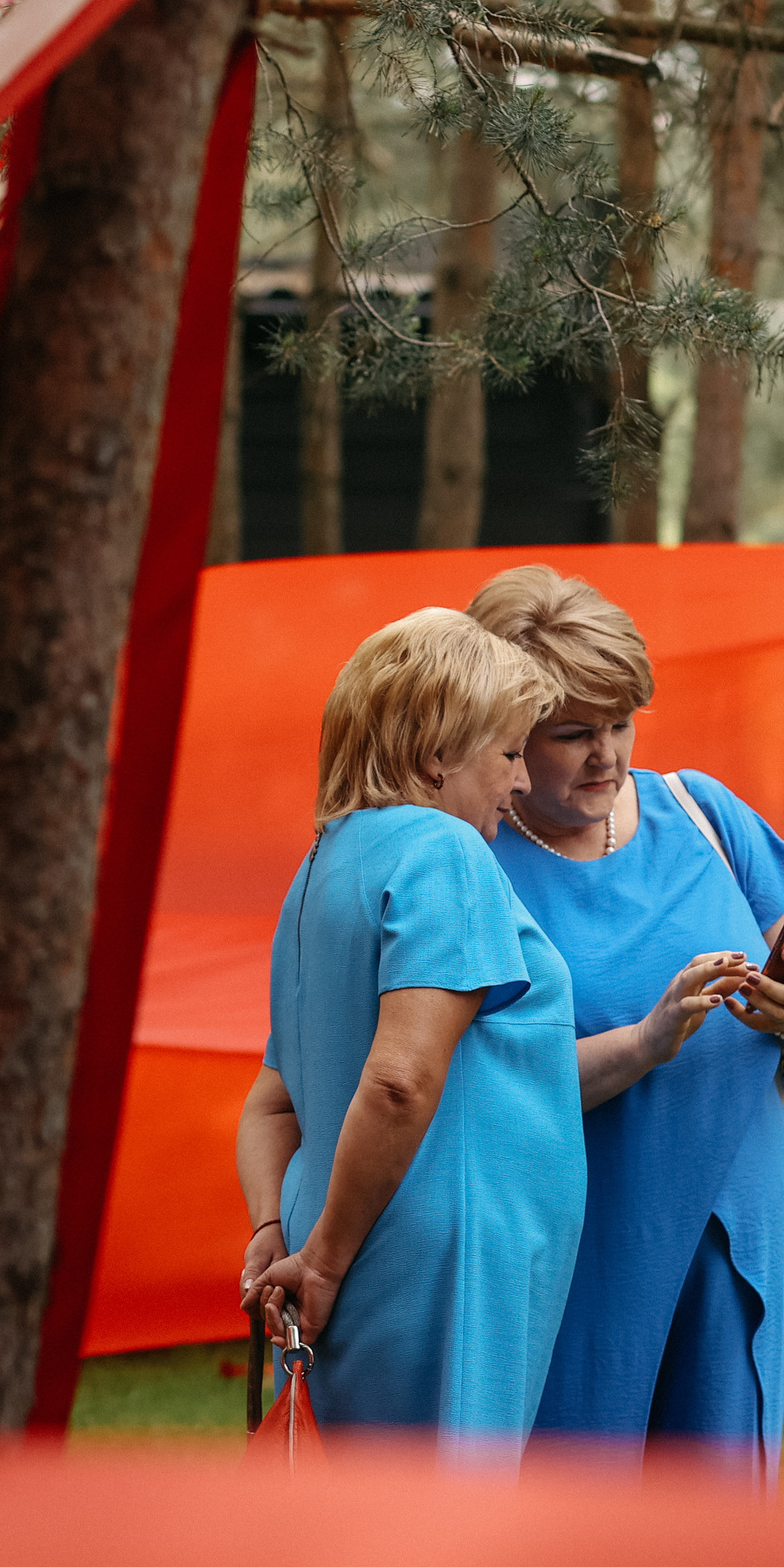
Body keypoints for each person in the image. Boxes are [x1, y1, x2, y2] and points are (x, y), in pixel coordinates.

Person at [468, 566, 784, 1482]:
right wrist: (648, 1040)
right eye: (573, 734)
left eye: (621, 723)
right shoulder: (472, 858)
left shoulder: (700, 809)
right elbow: (480, 1087)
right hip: (584, 1228)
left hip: (737, 1213)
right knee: (577, 1507)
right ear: (505, 731)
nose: (608, 754)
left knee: (718, 1513)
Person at [237, 608, 581, 1459]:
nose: (519, 782)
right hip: (440, 1261)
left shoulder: (320, 863)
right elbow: (400, 1079)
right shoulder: (445, 852)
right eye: (506, 753)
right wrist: (320, 1261)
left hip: (344, 1232)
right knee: (438, 1543)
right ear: (437, 753)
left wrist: (276, 1234)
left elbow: (272, 1106)